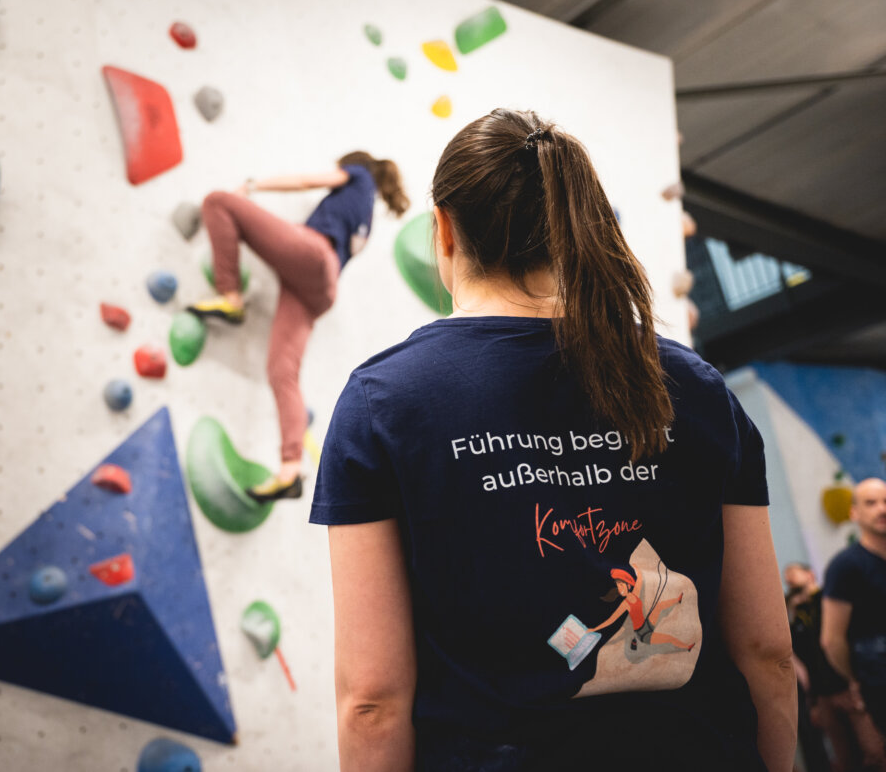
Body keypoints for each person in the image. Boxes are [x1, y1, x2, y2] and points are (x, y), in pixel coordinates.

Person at [309, 109, 795, 771]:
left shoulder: (383, 403)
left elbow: (373, 700)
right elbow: (767, 652)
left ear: (443, 232)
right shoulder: (698, 388)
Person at [187, 152, 408, 502]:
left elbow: (306, 181)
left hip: (313, 255)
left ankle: (230, 296)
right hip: (319, 288)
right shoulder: (366, 215)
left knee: (218, 202)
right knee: (282, 372)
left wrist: (252, 185)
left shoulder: (358, 177)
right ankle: (290, 469)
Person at [788, 561, 886, 772]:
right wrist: (813, 701)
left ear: (810, 575)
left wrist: (856, 682)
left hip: (847, 686)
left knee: (874, 751)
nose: (789, 581)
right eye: (787, 579)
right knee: (845, 758)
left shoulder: (830, 600)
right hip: (823, 695)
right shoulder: (797, 615)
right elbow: (802, 657)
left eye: (793, 575)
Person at [823, 478, 886, 741]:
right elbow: (831, 639)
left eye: (885, 501)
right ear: (854, 513)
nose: (881, 509)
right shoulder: (846, 566)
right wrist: (856, 678)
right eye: (870, 503)